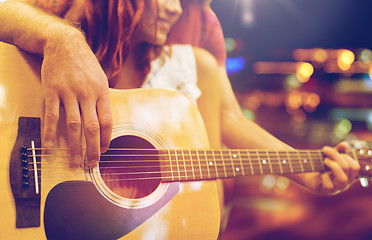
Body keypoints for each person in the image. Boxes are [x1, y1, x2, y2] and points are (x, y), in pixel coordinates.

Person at [0, 0, 360, 237]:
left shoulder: (194, 65)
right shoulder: (54, 19)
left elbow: (231, 120)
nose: (175, 9)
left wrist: (307, 171)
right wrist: (60, 39)